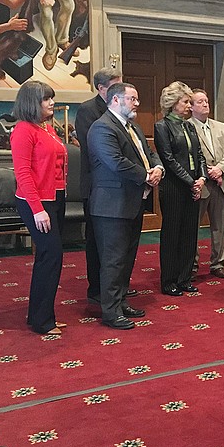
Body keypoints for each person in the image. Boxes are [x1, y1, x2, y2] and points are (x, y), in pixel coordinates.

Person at [87, 83, 164, 329]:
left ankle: (120, 302)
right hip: (111, 206)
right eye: (133, 99)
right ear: (116, 100)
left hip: (132, 203)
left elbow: (149, 153)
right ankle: (110, 312)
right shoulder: (102, 128)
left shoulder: (133, 127)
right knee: (113, 260)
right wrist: (145, 176)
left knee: (127, 257)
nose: (137, 104)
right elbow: (116, 162)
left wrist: (158, 168)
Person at [11, 80, 68, 335]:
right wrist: (37, 209)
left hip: (55, 198)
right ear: (32, 102)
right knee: (51, 256)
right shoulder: (24, 130)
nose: (52, 103)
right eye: (46, 99)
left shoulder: (46, 128)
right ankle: (42, 321)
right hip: (36, 201)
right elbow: (23, 173)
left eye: (51, 98)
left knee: (49, 257)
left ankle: (41, 315)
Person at [74, 67, 123, 306]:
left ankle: (116, 286)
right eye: (115, 86)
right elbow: (94, 147)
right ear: (101, 88)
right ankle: (96, 288)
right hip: (96, 185)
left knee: (116, 243)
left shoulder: (120, 108)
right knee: (96, 240)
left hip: (119, 185)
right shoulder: (87, 110)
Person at [154, 82, 208, 296]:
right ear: (173, 103)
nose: (189, 105)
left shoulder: (189, 125)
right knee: (172, 234)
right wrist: (190, 181)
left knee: (189, 234)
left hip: (192, 186)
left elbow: (200, 155)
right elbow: (168, 159)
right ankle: (169, 281)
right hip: (174, 187)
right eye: (185, 101)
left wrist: (202, 178)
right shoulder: (162, 126)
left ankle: (185, 278)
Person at [189, 89, 224, 279]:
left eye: (206, 101)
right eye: (200, 102)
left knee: (219, 226)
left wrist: (220, 169)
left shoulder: (220, 126)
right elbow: (191, 156)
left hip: (220, 183)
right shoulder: (187, 127)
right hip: (200, 184)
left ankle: (218, 263)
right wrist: (209, 171)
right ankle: (191, 265)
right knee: (193, 227)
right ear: (190, 107)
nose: (205, 104)